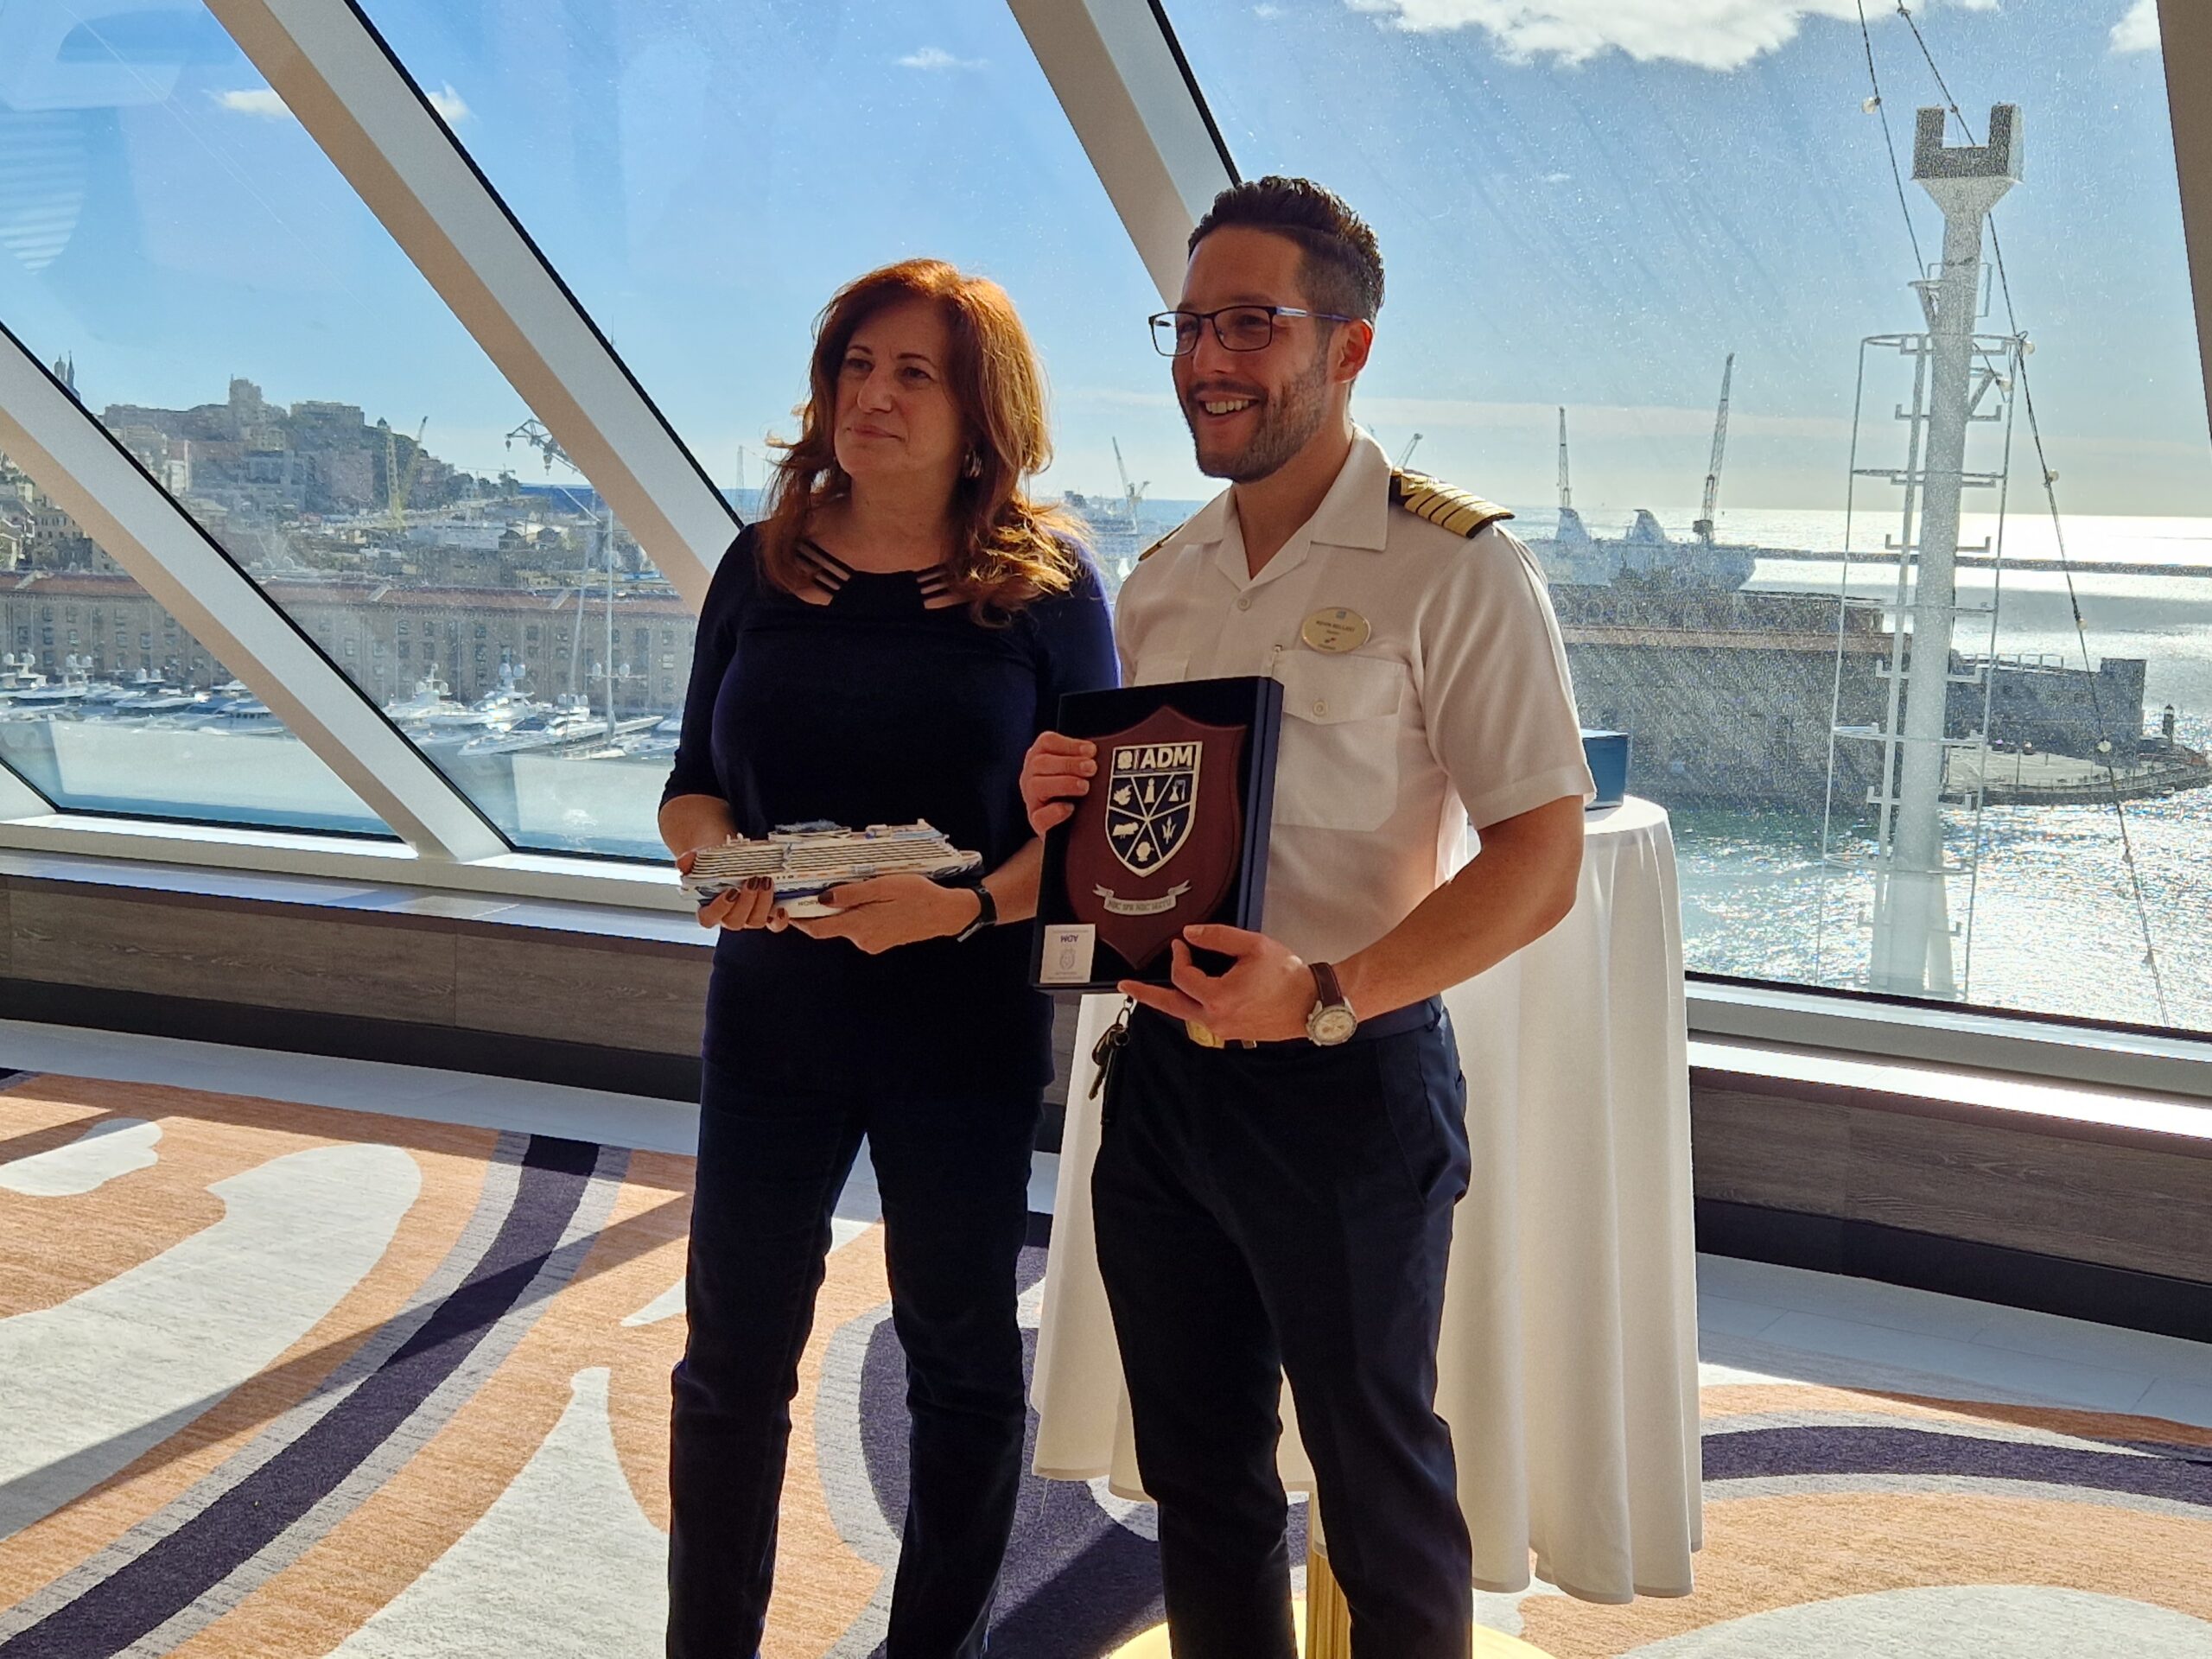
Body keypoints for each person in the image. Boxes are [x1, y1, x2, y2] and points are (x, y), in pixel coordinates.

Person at [1020, 178, 1592, 1657]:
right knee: (1200, 1488)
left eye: (1250, 325)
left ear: (1348, 349)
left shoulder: (1453, 566)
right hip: (1162, 1087)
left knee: (1379, 1490)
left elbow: (1541, 856)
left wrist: (1328, 992)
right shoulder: (1163, 582)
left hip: (1346, 1084)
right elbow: (1141, 842)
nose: (1208, 359)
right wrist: (1058, 804)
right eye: (1189, 326)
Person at [660, 257, 1116, 1659]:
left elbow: (1098, 836)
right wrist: (717, 868)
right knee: (730, 1364)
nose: (875, 395)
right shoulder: (763, 562)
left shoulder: (1047, 588)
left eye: (915, 372)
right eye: (858, 366)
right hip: (772, 1017)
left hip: (960, 1026)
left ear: (983, 410)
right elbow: (690, 787)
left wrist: (963, 909)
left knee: (960, 1364)